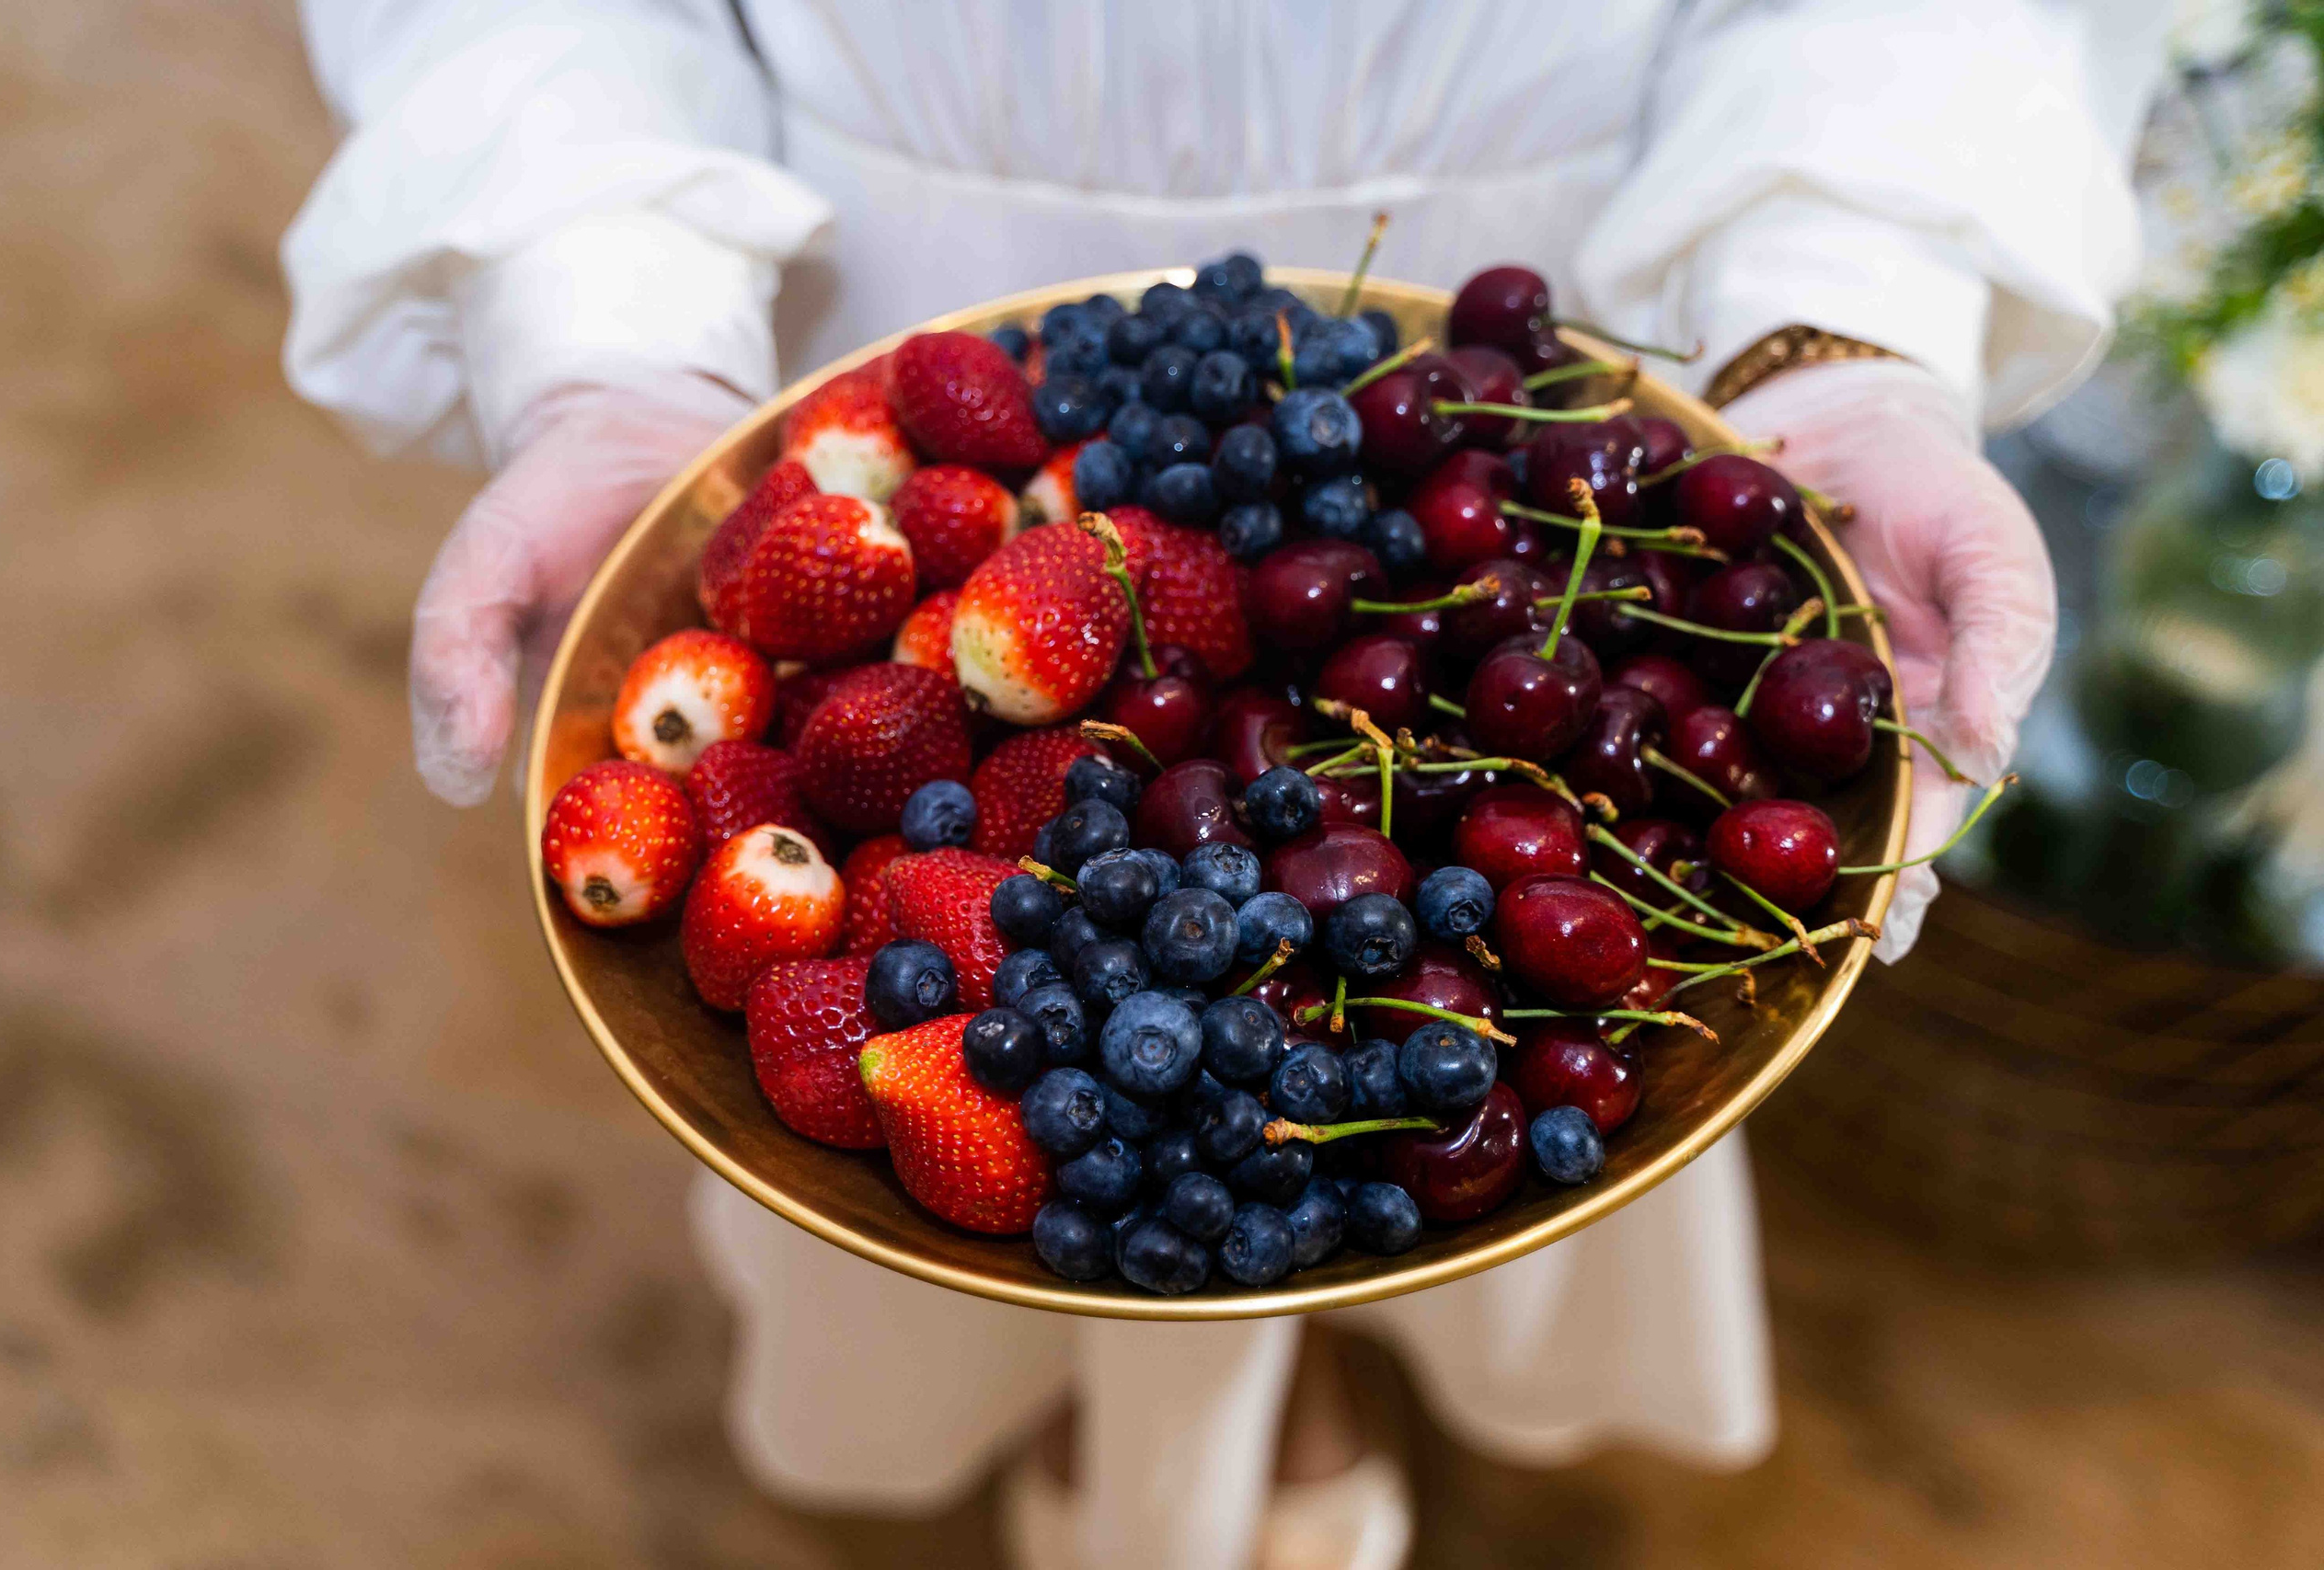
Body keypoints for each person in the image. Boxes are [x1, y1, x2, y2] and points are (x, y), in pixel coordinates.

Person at [282, 5, 2170, 1565]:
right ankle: (1162, 1386)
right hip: (913, 354)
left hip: (1530, 413)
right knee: (1026, 1070)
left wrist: (1839, 308)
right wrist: (603, 315)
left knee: (1440, 1083)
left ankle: (1305, 1363)